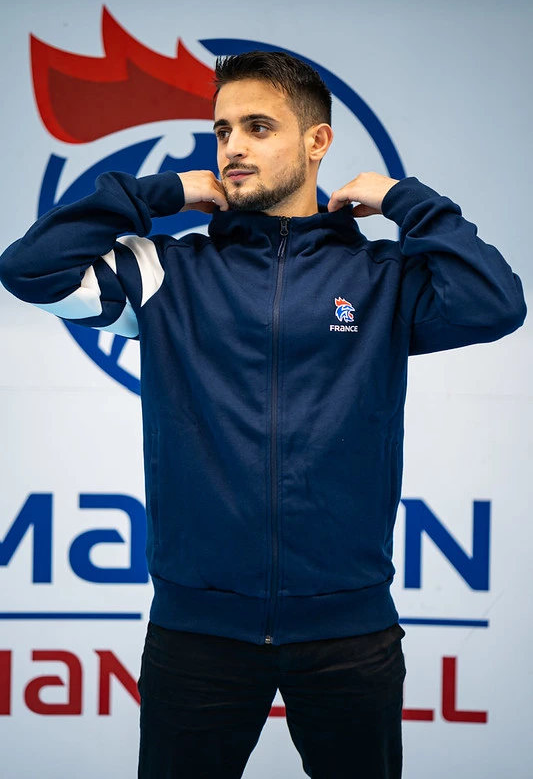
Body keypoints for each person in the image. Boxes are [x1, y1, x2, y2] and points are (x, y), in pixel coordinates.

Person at [0, 51, 526, 779]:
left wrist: (408, 201)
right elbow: (29, 269)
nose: (232, 148)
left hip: (348, 633)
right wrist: (155, 192)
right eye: (221, 131)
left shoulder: (380, 280)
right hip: (197, 634)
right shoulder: (167, 273)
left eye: (257, 126)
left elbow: (496, 302)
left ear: (317, 143)